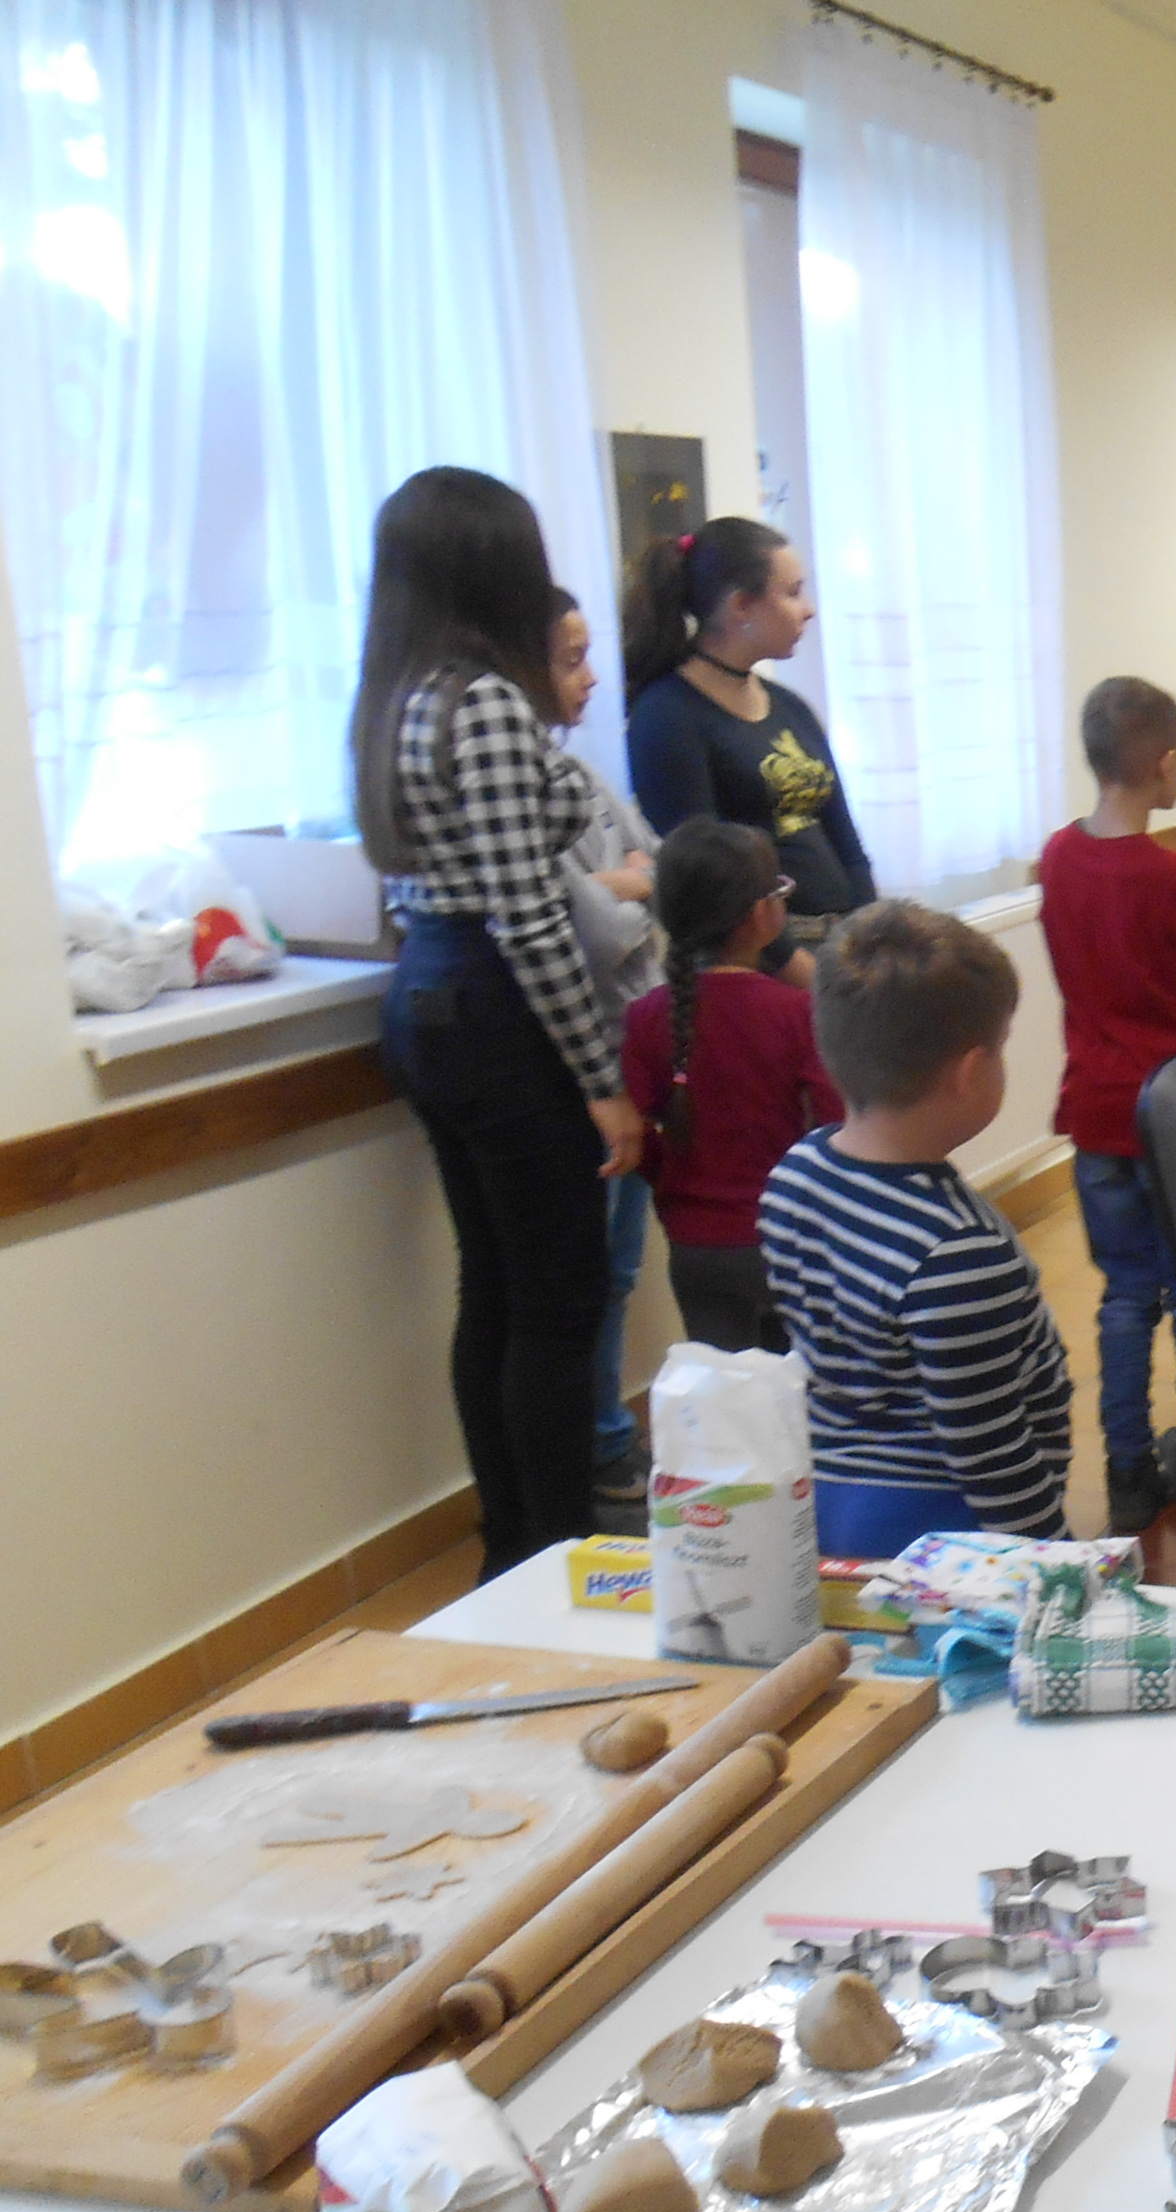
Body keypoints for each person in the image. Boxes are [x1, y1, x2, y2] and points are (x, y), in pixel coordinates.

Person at [356, 466, 640, 1579]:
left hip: (429, 1000)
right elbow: (530, 919)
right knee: (560, 1296)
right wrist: (599, 1081)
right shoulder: (478, 702)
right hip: (493, 1007)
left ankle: (512, 1546)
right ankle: (557, 1552)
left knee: (497, 1287)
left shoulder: (399, 694)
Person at [759, 902, 1074, 1559]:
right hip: (940, 1532)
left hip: (828, 1496)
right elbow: (992, 1455)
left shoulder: (796, 1174)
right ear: (969, 1073)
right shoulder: (957, 1252)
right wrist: (1060, 1566)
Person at [1038, 677, 1176, 1535]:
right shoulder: (1175, 877)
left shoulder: (1057, 856)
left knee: (1123, 1296)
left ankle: (1127, 1469)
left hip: (1095, 1111)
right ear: (1165, 766)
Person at [622, 822, 839, 1357]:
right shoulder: (796, 1012)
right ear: (763, 915)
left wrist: (676, 1190)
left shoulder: (645, 1017)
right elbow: (835, 1122)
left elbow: (640, 1133)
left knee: (725, 1398)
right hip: (788, 1240)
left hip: (695, 1247)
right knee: (800, 1395)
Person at [621, 516, 872, 975]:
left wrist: (869, 936)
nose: (808, 609)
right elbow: (707, 878)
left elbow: (846, 841)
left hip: (840, 944)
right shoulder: (668, 716)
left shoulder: (789, 706)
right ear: (741, 606)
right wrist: (798, 969)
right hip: (757, 960)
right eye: (792, 593)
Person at [546, 588, 661, 1519]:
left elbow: (658, 865)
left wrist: (618, 883)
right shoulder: (516, 801)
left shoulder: (581, 778)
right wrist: (621, 888)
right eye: (569, 658)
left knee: (621, 1268)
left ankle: (608, 1442)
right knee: (585, 1274)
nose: (588, 678)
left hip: (632, 1047)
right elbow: (606, 934)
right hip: (580, 1064)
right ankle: (597, 1448)